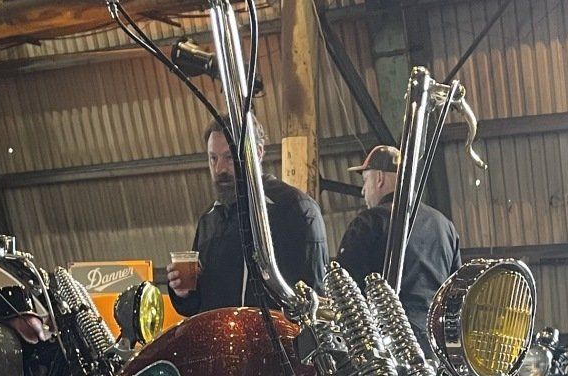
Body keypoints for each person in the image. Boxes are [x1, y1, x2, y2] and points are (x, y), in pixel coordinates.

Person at [167, 113, 326, 316]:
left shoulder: (296, 209)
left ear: (258, 153)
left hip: (273, 343)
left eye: (230, 157)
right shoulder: (209, 219)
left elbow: (313, 298)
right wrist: (184, 294)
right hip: (220, 343)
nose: (219, 168)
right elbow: (199, 307)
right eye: (212, 158)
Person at [334, 145, 462, 331]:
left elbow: (344, 289)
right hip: (434, 344)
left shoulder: (369, 221)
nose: (363, 191)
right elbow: (455, 292)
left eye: (365, 180)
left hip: (390, 343)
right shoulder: (445, 226)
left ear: (379, 178)